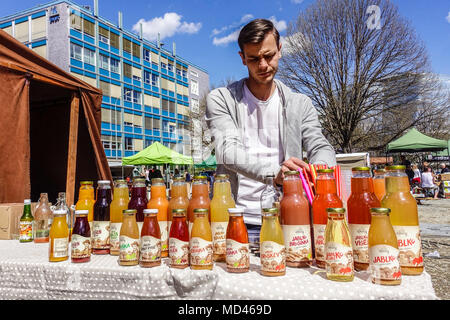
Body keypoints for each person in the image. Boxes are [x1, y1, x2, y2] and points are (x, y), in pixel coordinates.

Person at [205, 19, 336, 229]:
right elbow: (228, 150)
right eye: (254, 59)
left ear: (280, 50)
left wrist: (320, 171)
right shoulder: (221, 99)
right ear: (242, 58)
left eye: (269, 56)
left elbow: (320, 145)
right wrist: (275, 173)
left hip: (288, 218)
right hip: (235, 220)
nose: (263, 65)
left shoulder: (300, 103)